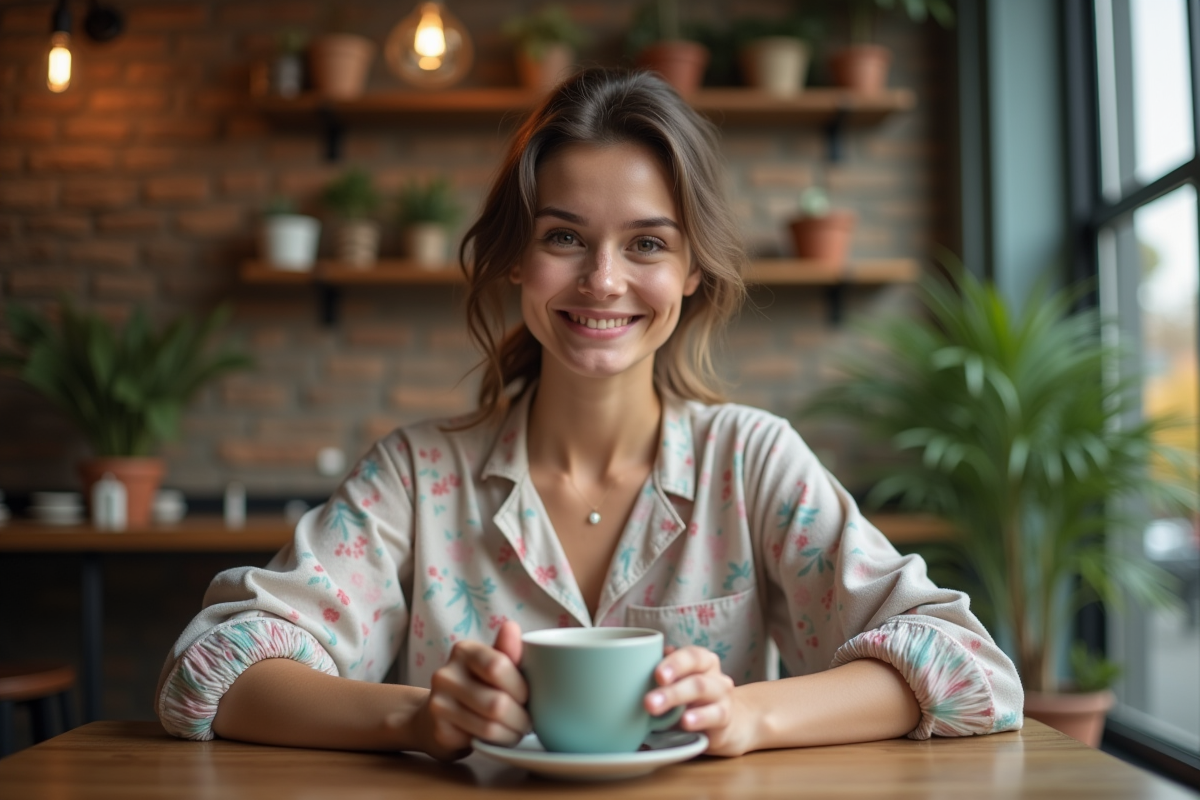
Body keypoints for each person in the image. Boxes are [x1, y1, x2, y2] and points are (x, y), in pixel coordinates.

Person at [157, 68, 1023, 758]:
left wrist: (751, 716)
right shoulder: (417, 475)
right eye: (564, 237)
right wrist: (417, 718)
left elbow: (969, 669)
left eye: (647, 242)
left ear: (691, 271)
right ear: (516, 260)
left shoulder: (751, 461)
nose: (603, 280)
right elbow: (214, 670)